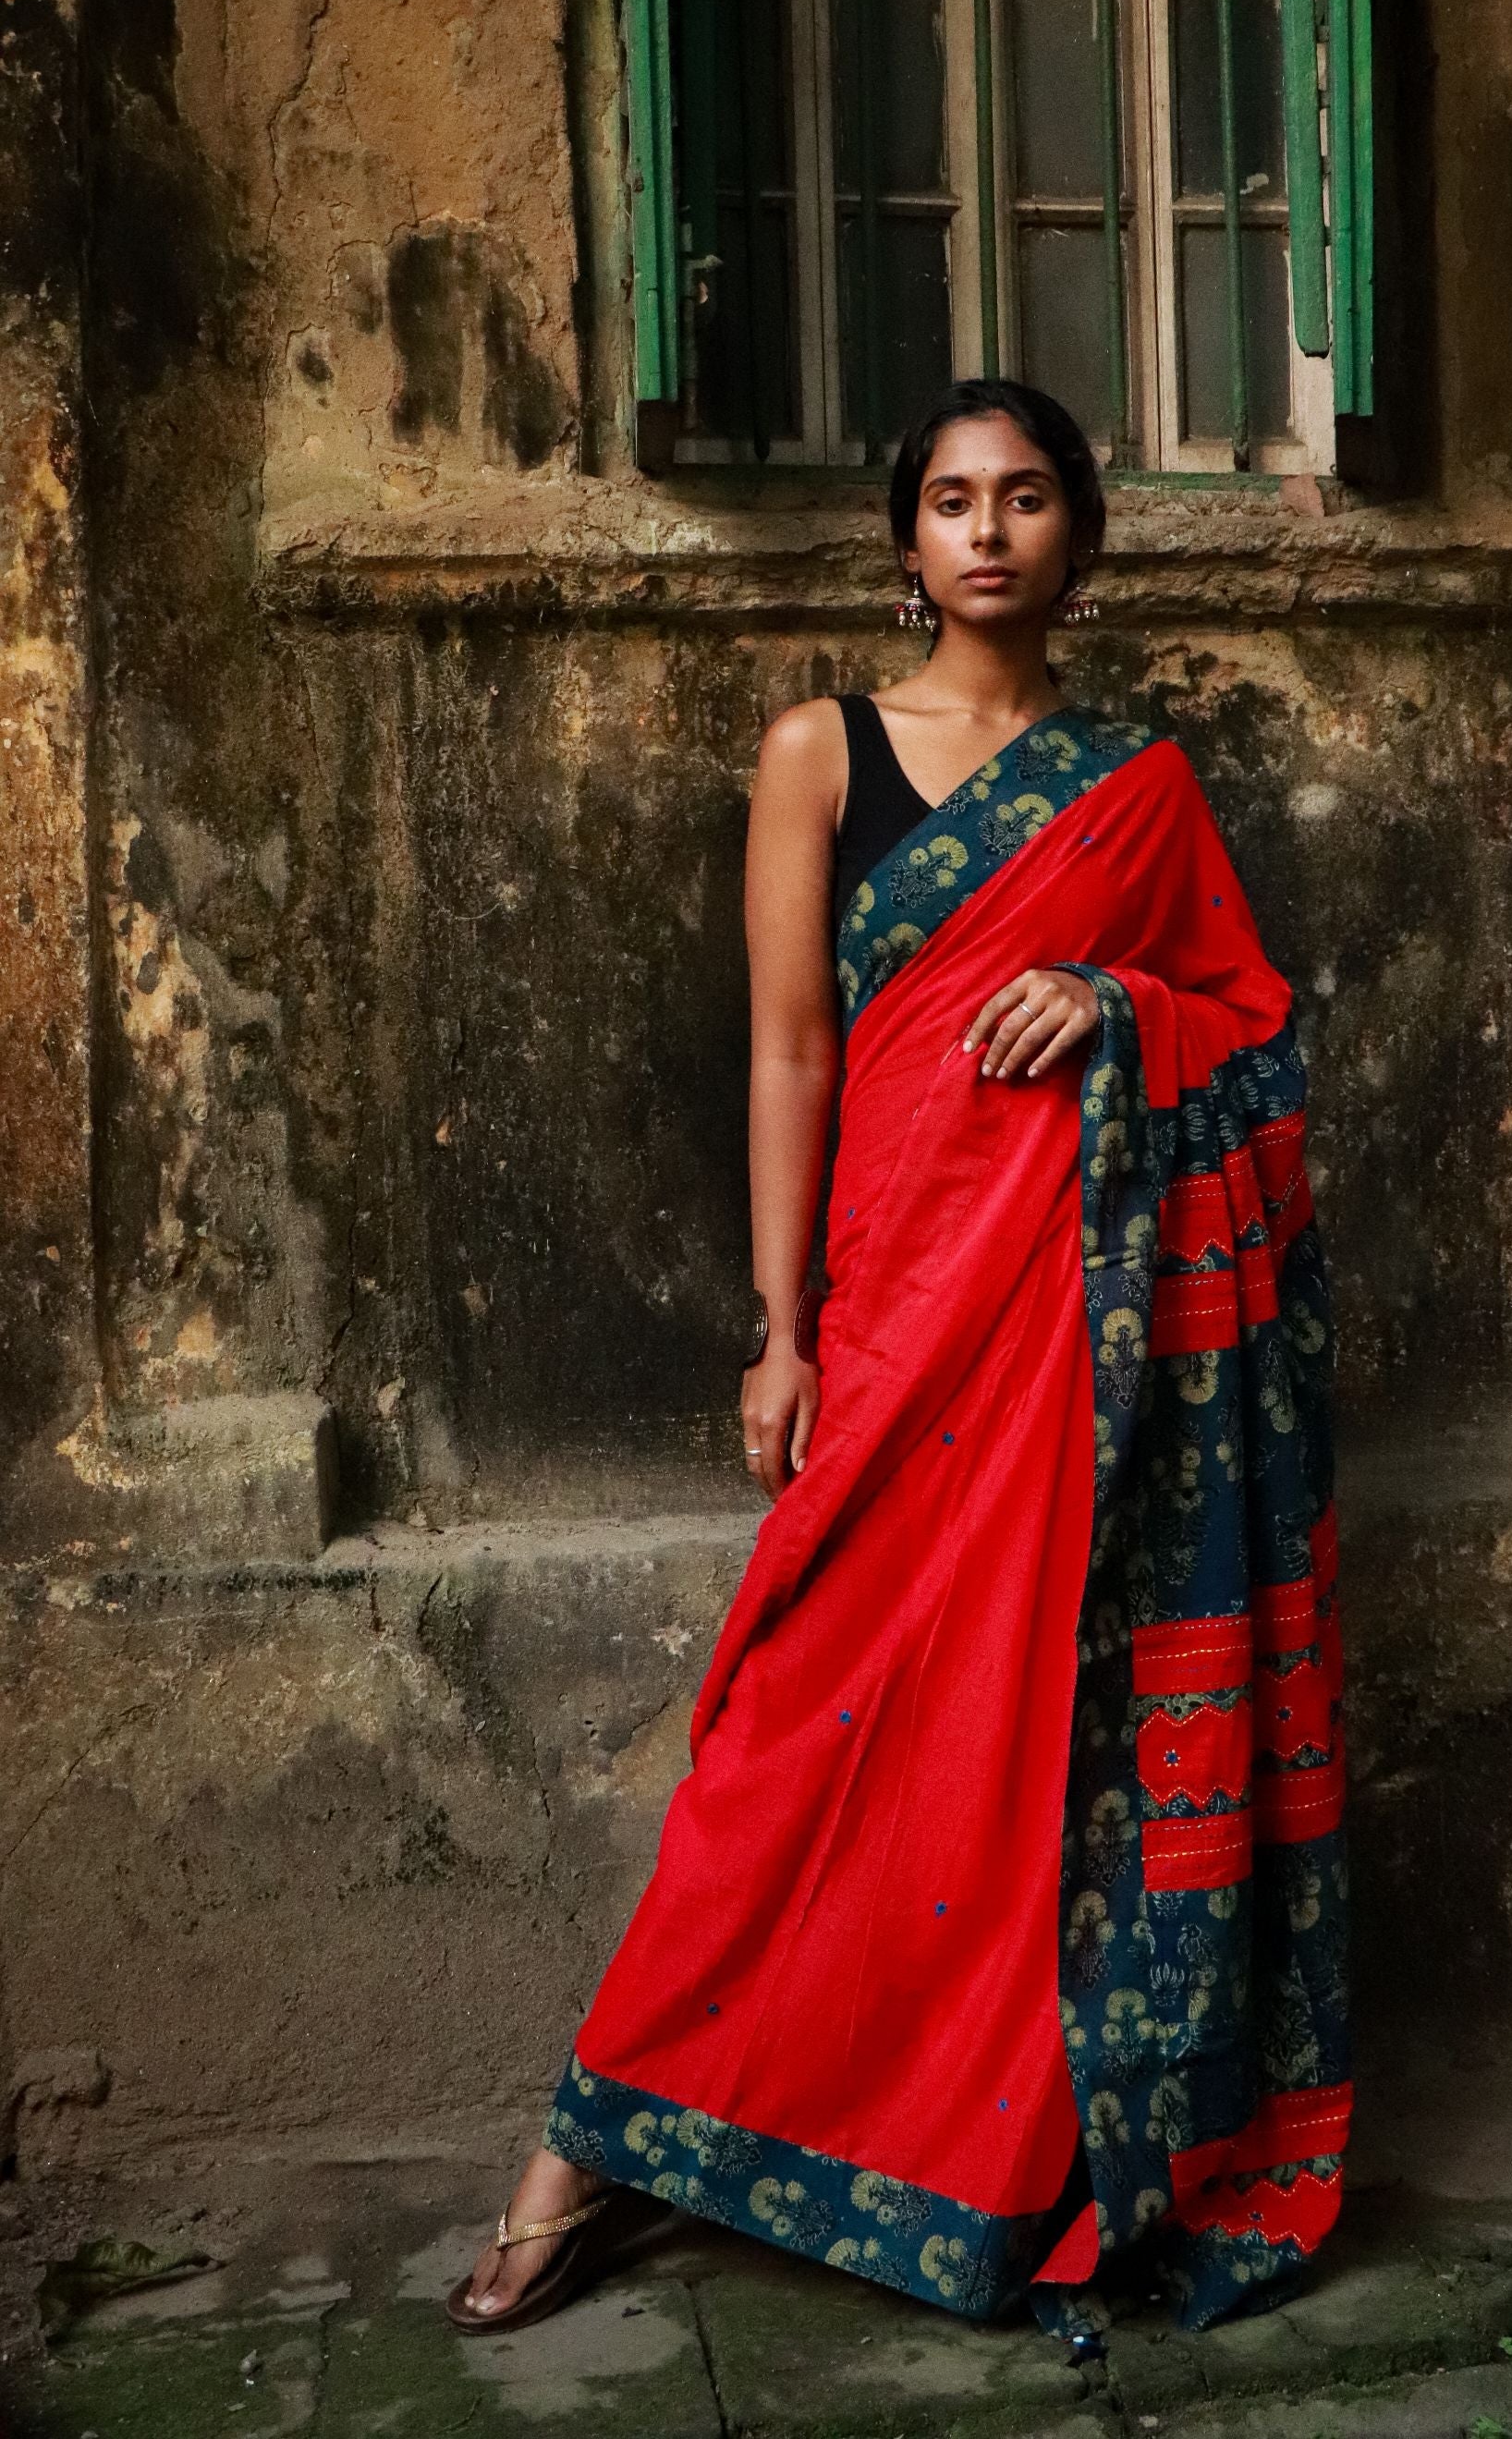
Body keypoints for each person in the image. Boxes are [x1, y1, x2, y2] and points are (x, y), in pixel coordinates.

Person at [448, 379, 1348, 2346]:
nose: (989, 532)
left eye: (1026, 498)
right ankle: (591, 2140)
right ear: (903, 542)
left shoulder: (1143, 790)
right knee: (788, 1728)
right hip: (897, 1304)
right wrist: (783, 1333)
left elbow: (1251, 1034)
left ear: (1080, 536)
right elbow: (790, 1051)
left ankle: (994, 2156)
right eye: (951, 500)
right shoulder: (819, 753)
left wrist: (1112, 999)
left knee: (1028, 1744)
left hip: (1078, 1339)